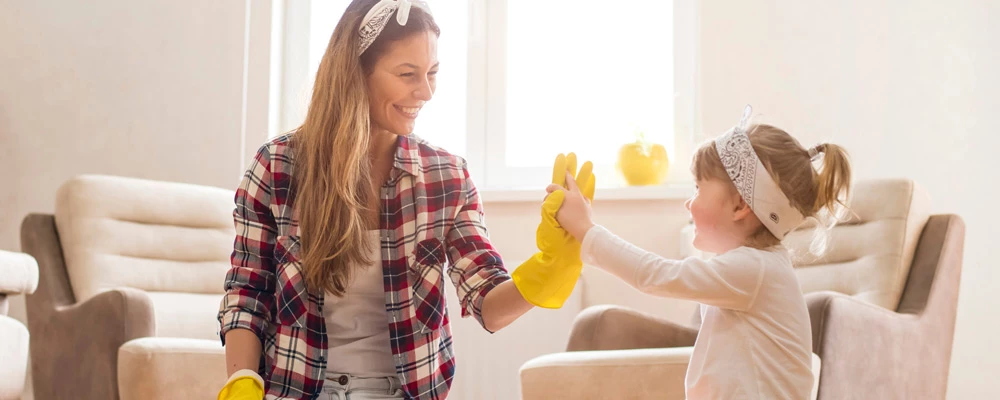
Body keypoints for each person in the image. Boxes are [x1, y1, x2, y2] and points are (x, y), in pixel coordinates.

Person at [215, 1, 594, 399]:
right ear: (356, 73)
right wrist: (242, 381)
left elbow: (488, 303)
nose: (426, 92)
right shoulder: (278, 166)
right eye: (407, 74)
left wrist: (551, 269)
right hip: (298, 391)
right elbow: (247, 292)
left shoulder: (447, 177)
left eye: (433, 73)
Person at [551, 106, 852, 399]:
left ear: (739, 205)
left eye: (697, 188)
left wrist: (586, 230)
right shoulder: (750, 269)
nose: (688, 203)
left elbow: (655, 275)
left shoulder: (755, 269)